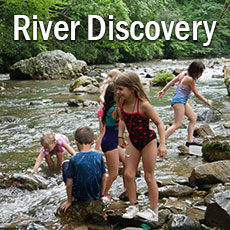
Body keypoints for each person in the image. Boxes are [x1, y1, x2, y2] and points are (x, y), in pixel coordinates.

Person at [114, 71, 167, 221]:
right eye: (117, 88)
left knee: (148, 176)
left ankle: (153, 211)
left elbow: (159, 123)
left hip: (148, 142)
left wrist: (162, 144)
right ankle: (133, 206)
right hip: (133, 141)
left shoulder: (144, 105)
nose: (117, 92)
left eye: (120, 89)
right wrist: (120, 136)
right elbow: (123, 120)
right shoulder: (122, 103)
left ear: (132, 88)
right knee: (128, 174)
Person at [157, 61, 213, 146]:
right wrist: (207, 101)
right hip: (179, 102)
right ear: (195, 72)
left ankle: (190, 141)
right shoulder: (190, 80)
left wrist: (163, 90)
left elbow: (172, 82)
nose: (201, 75)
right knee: (177, 124)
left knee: (193, 118)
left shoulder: (184, 74)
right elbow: (197, 94)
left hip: (181, 101)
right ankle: (161, 141)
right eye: (200, 73)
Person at [60, 126, 107, 213]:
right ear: (93, 142)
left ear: (76, 142)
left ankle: (72, 197)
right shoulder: (99, 156)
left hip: (79, 195)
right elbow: (104, 177)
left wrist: (69, 201)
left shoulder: (74, 159)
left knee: (65, 164)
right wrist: (101, 195)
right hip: (95, 194)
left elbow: (69, 183)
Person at [101, 83, 126, 199]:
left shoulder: (109, 107)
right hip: (110, 143)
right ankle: (102, 194)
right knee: (114, 173)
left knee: (127, 163)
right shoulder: (115, 109)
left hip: (112, 141)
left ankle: (127, 187)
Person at [95, 69, 121, 151]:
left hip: (104, 110)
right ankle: (97, 150)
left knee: (105, 131)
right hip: (104, 111)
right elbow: (101, 97)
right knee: (103, 132)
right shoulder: (109, 86)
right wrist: (106, 104)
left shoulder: (107, 85)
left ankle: (100, 149)